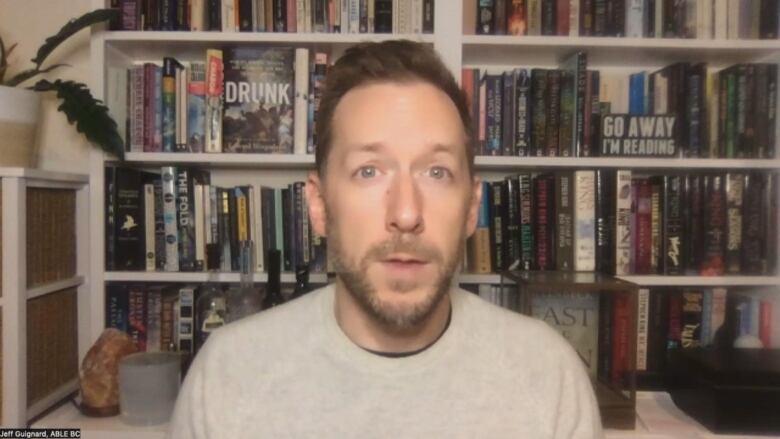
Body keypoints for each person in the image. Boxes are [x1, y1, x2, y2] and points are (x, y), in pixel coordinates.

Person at [168, 40, 603, 439]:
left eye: (437, 172)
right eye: (369, 171)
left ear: (472, 208)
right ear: (319, 206)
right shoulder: (227, 377)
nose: (406, 214)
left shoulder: (548, 377)